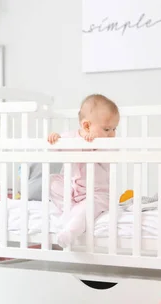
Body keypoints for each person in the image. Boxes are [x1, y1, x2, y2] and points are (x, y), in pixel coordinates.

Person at [47, 94, 120, 247]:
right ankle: (69, 207)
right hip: (72, 191)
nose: (112, 134)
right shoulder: (71, 137)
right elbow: (54, 150)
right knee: (52, 181)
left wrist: (96, 145)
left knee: (86, 209)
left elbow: (110, 155)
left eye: (114, 128)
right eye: (107, 129)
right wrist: (54, 139)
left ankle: (70, 232)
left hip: (96, 194)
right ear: (86, 126)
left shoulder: (107, 145)